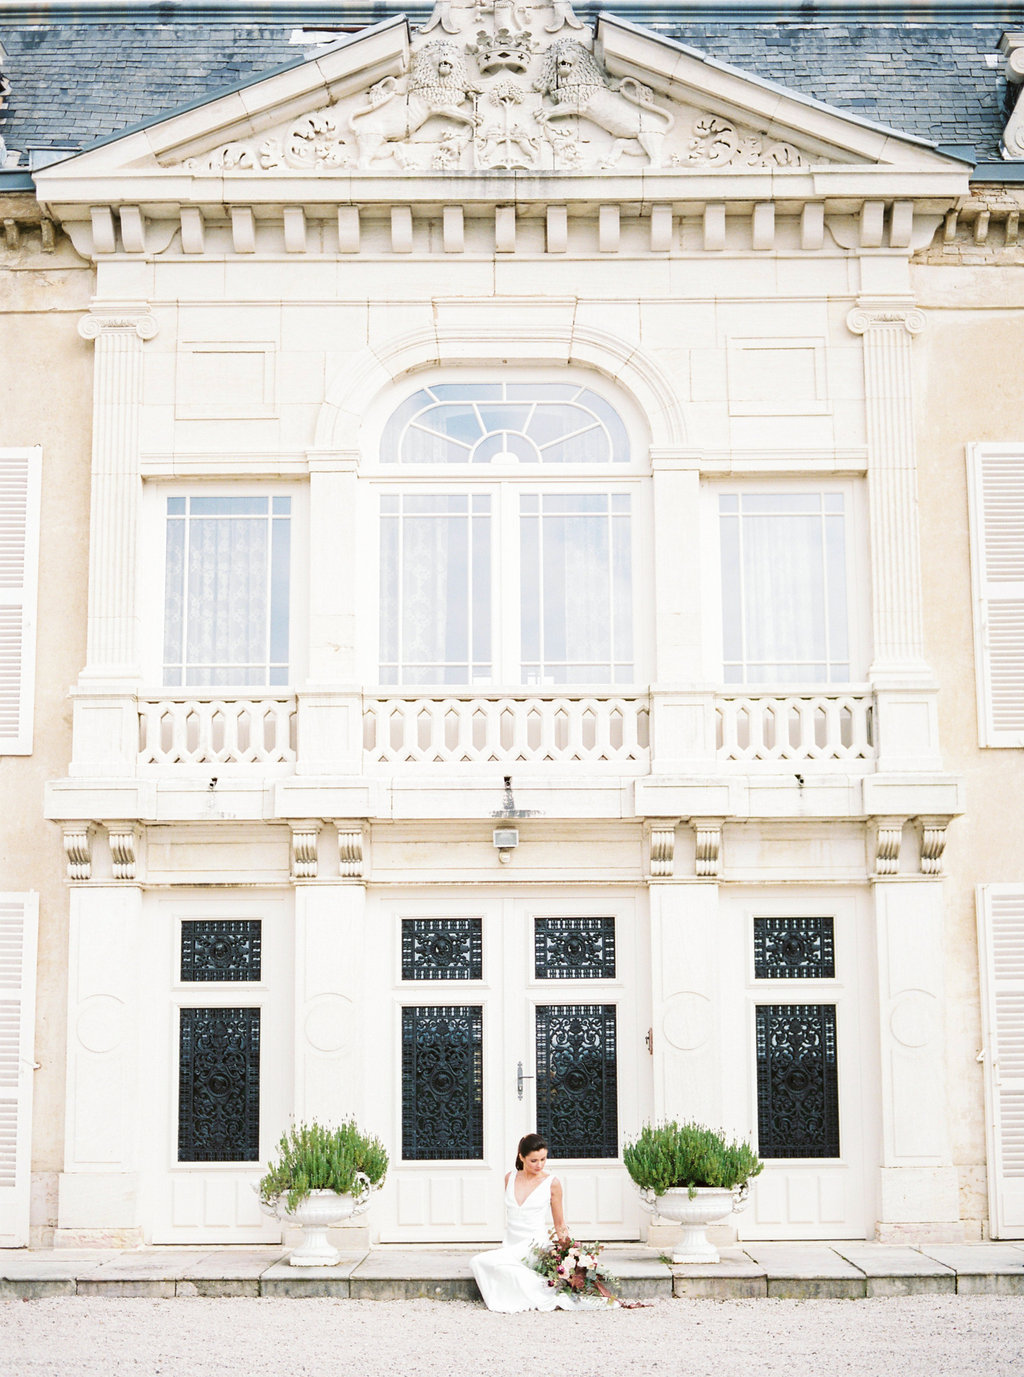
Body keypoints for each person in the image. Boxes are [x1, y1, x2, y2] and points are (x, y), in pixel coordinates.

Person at [471, 1132, 577, 1312]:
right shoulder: (509, 1178)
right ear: (521, 1157)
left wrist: (569, 1255)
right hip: (511, 1244)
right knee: (478, 1263)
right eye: (534, 1160)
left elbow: (559, 1223)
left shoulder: (552, 1183)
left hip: (534, 1246)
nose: (540, 1165)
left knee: (479, 1260)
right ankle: (536, 1286)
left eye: (543, 1159)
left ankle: (540, 1289)